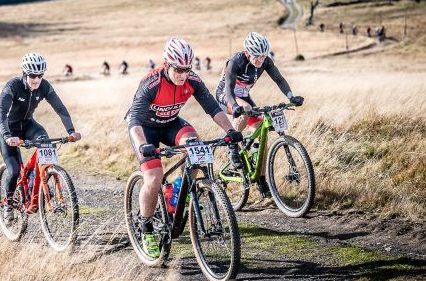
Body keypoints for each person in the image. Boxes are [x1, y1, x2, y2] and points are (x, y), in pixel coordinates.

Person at [126, 37, 243, 258]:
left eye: (187, 69)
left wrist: (230, 130)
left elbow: (212, 107)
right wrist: (143, 145)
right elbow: (134, 120)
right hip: (144, 129)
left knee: (197, 150)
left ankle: (179, 190)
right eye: (178, 70)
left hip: (171, 124)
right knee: (153, 178)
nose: (183, 75)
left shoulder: (192, 80)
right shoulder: (151, 83)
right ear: (167, 64)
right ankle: (146, 227)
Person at [214, 32, 303, 198]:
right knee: (246, 108)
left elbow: (279, 79)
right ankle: (232, 145)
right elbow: (228, 88)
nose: (261, 60)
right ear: (248, 53)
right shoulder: (235, 61)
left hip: (244, 97)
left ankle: (261, 179)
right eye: (257, 56)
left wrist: (291, 97)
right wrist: (235, 105)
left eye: (263, 56)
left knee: (262, 133)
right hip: (226, 96)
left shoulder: (265, 61)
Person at [0, 52, 81, 219]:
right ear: (25, 73)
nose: (36, 79)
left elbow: (60, 109)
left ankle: (39, 181)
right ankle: (9, 204)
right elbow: (1, 113)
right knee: (14, 171)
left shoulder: (44, 86)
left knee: (45, 143)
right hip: (9, 130)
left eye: (40, 75)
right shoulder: (13, 86)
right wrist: (7, 135)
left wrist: (71, 131)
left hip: (28, 125)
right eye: (32, 76)